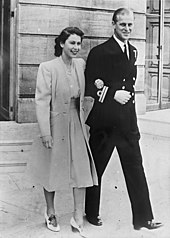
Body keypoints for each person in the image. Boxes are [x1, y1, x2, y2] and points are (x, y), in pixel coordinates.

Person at [84, 8, 163, 230]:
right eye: (122, 25)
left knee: (136, 169)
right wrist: (111, 94)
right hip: (105, 123)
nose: (127, 29)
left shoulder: (134, 51)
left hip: (127, 123)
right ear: (113, 25)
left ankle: (144, 219)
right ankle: (91, 213)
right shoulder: (100, 52)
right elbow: (90, 85)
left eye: (130, 25)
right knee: (96, 169)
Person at [28, 26, 98, 235]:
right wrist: (45, 133)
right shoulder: (47, 67)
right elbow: (41, 102)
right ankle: (50, 211)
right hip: (54, 123)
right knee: (52, 168)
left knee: (81, 169)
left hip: (76, 121)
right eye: (72, 43)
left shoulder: (80, 64)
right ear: (61, 44)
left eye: (79, 43)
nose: (76, 47)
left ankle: (78, 217)